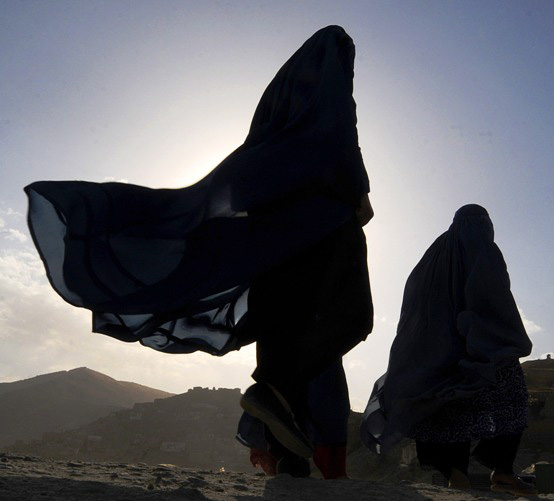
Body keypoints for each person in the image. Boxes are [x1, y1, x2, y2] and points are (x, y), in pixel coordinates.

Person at [25, 26, 373, 461]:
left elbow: (247, 186)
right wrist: (357, 192)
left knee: (284, 327)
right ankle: (275, 397)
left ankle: (277, 439)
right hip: (325, 228)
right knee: (351, 318)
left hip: (273, 242)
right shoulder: (331, 99)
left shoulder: (275, 122)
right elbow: (342, 158)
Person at [361, 204, 535, 495]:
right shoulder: (483, 250)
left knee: (446, 402)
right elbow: (493, 300)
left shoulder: (434, 255)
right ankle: (502, 471)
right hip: (477, 343)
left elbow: (413, 304)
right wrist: (499, 339)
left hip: (436, 353)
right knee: (510, 390)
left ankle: (457, 476)